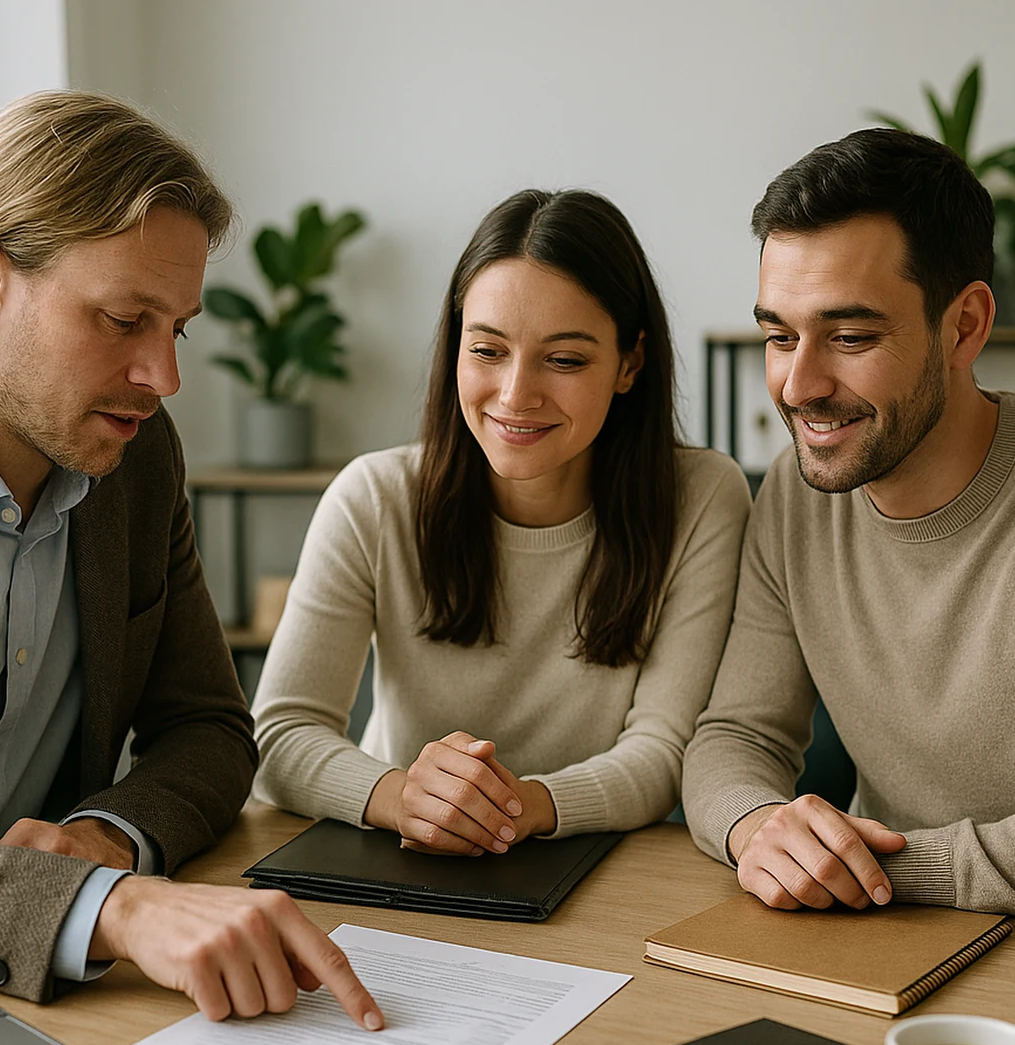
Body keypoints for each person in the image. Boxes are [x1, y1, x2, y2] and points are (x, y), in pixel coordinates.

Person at [0, 90, 382, 1031]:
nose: (163, 378)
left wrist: (105, 840)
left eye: (175, 328)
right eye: (124, 318)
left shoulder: (136, 458)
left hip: (62, 999)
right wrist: (111, 907)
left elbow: (208, 730)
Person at [251, 189, 751, 852]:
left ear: (630, 363)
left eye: (564, 359)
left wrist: (510, 810)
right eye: (488, 351)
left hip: (600, 870)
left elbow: (663, 755)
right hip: (400, 856)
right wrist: (405, 799)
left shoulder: (702, 498)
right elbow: (280, 737)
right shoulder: (372, 498)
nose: (515, 395)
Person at [682, 128, 1015, 921]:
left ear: (965, 326)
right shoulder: (795, 496)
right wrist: (759, 831)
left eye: (851, 337)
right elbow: (736, 736)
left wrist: (883, 869)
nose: (798, 386)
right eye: (779, 337)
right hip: (870, 938)